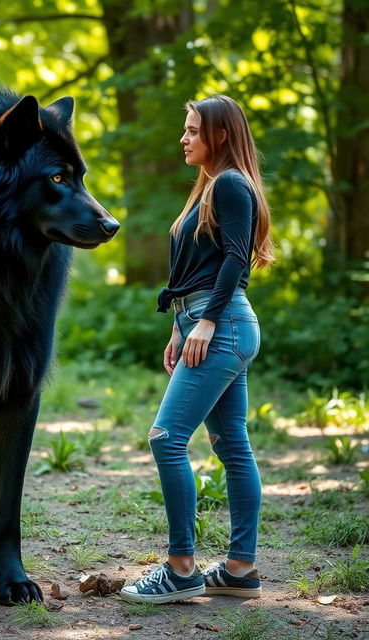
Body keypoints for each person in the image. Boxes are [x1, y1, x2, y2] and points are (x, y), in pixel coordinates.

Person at [120, 94, 274, 605]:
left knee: (167, 438)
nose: (183, 138)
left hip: (222, 322)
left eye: (191, 130)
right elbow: (198, 267)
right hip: (213, 321)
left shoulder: (230, 183)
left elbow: (236, 260)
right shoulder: (212, 186)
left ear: (220, 135)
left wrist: (205, 321)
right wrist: (180, 327)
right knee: (233, 447)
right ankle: (239, 569)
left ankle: (182, 568)